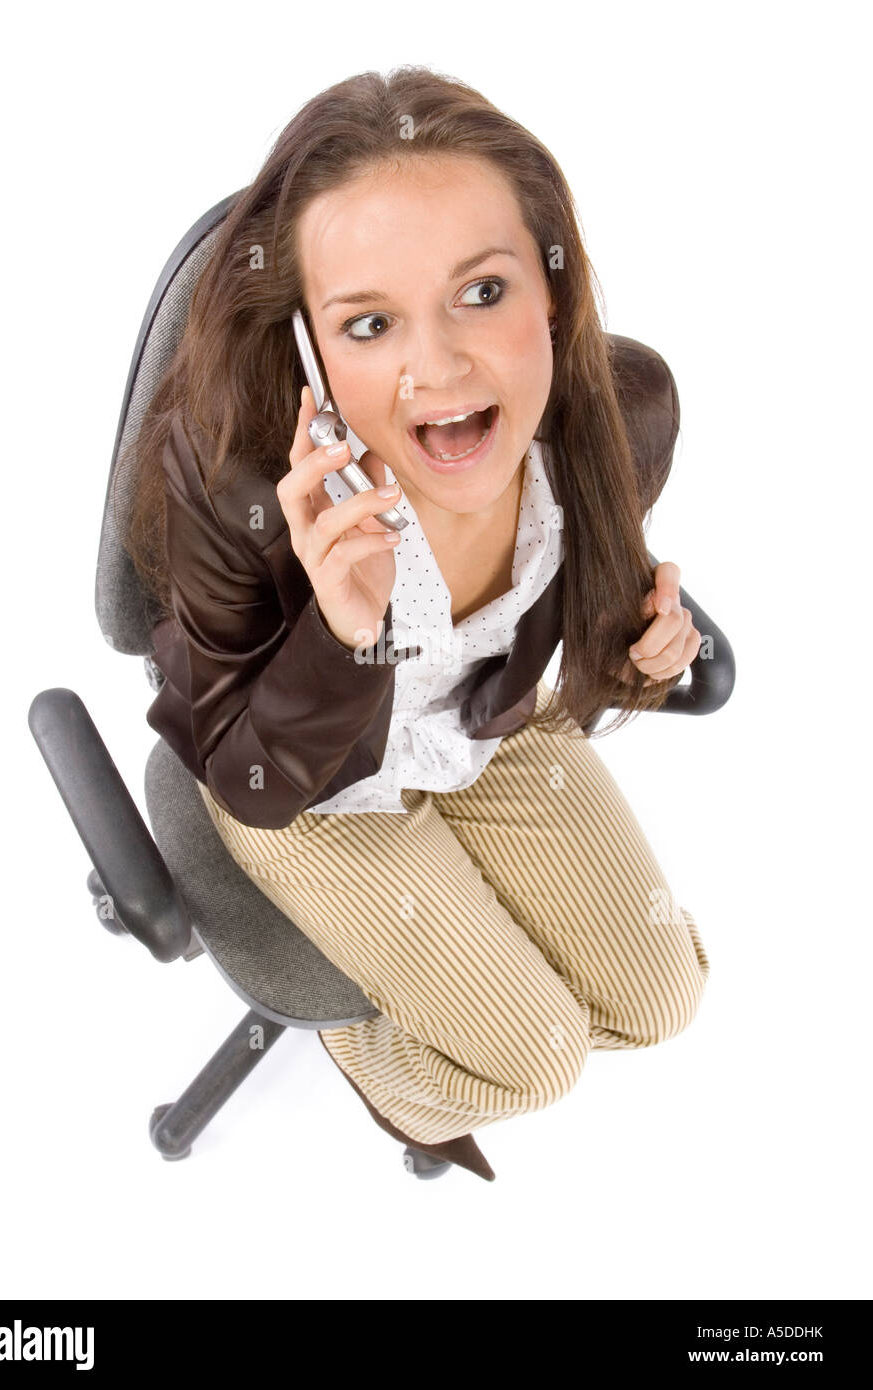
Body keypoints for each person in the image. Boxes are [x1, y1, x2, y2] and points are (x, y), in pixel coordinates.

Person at [123, 67, 711, 1183]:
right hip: (309, 781)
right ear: (305, 344)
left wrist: (638, 655)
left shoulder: (613, 415)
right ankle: (371, 1054)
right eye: (370, 322)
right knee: (537, 1060)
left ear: (554, 294)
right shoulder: (227, 481)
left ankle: (472, 974)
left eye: (482, 294)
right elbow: (247, 775)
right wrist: (341, 636)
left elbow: (584, 626)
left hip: (489, 724)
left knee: (662, 994)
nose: (437, 367)